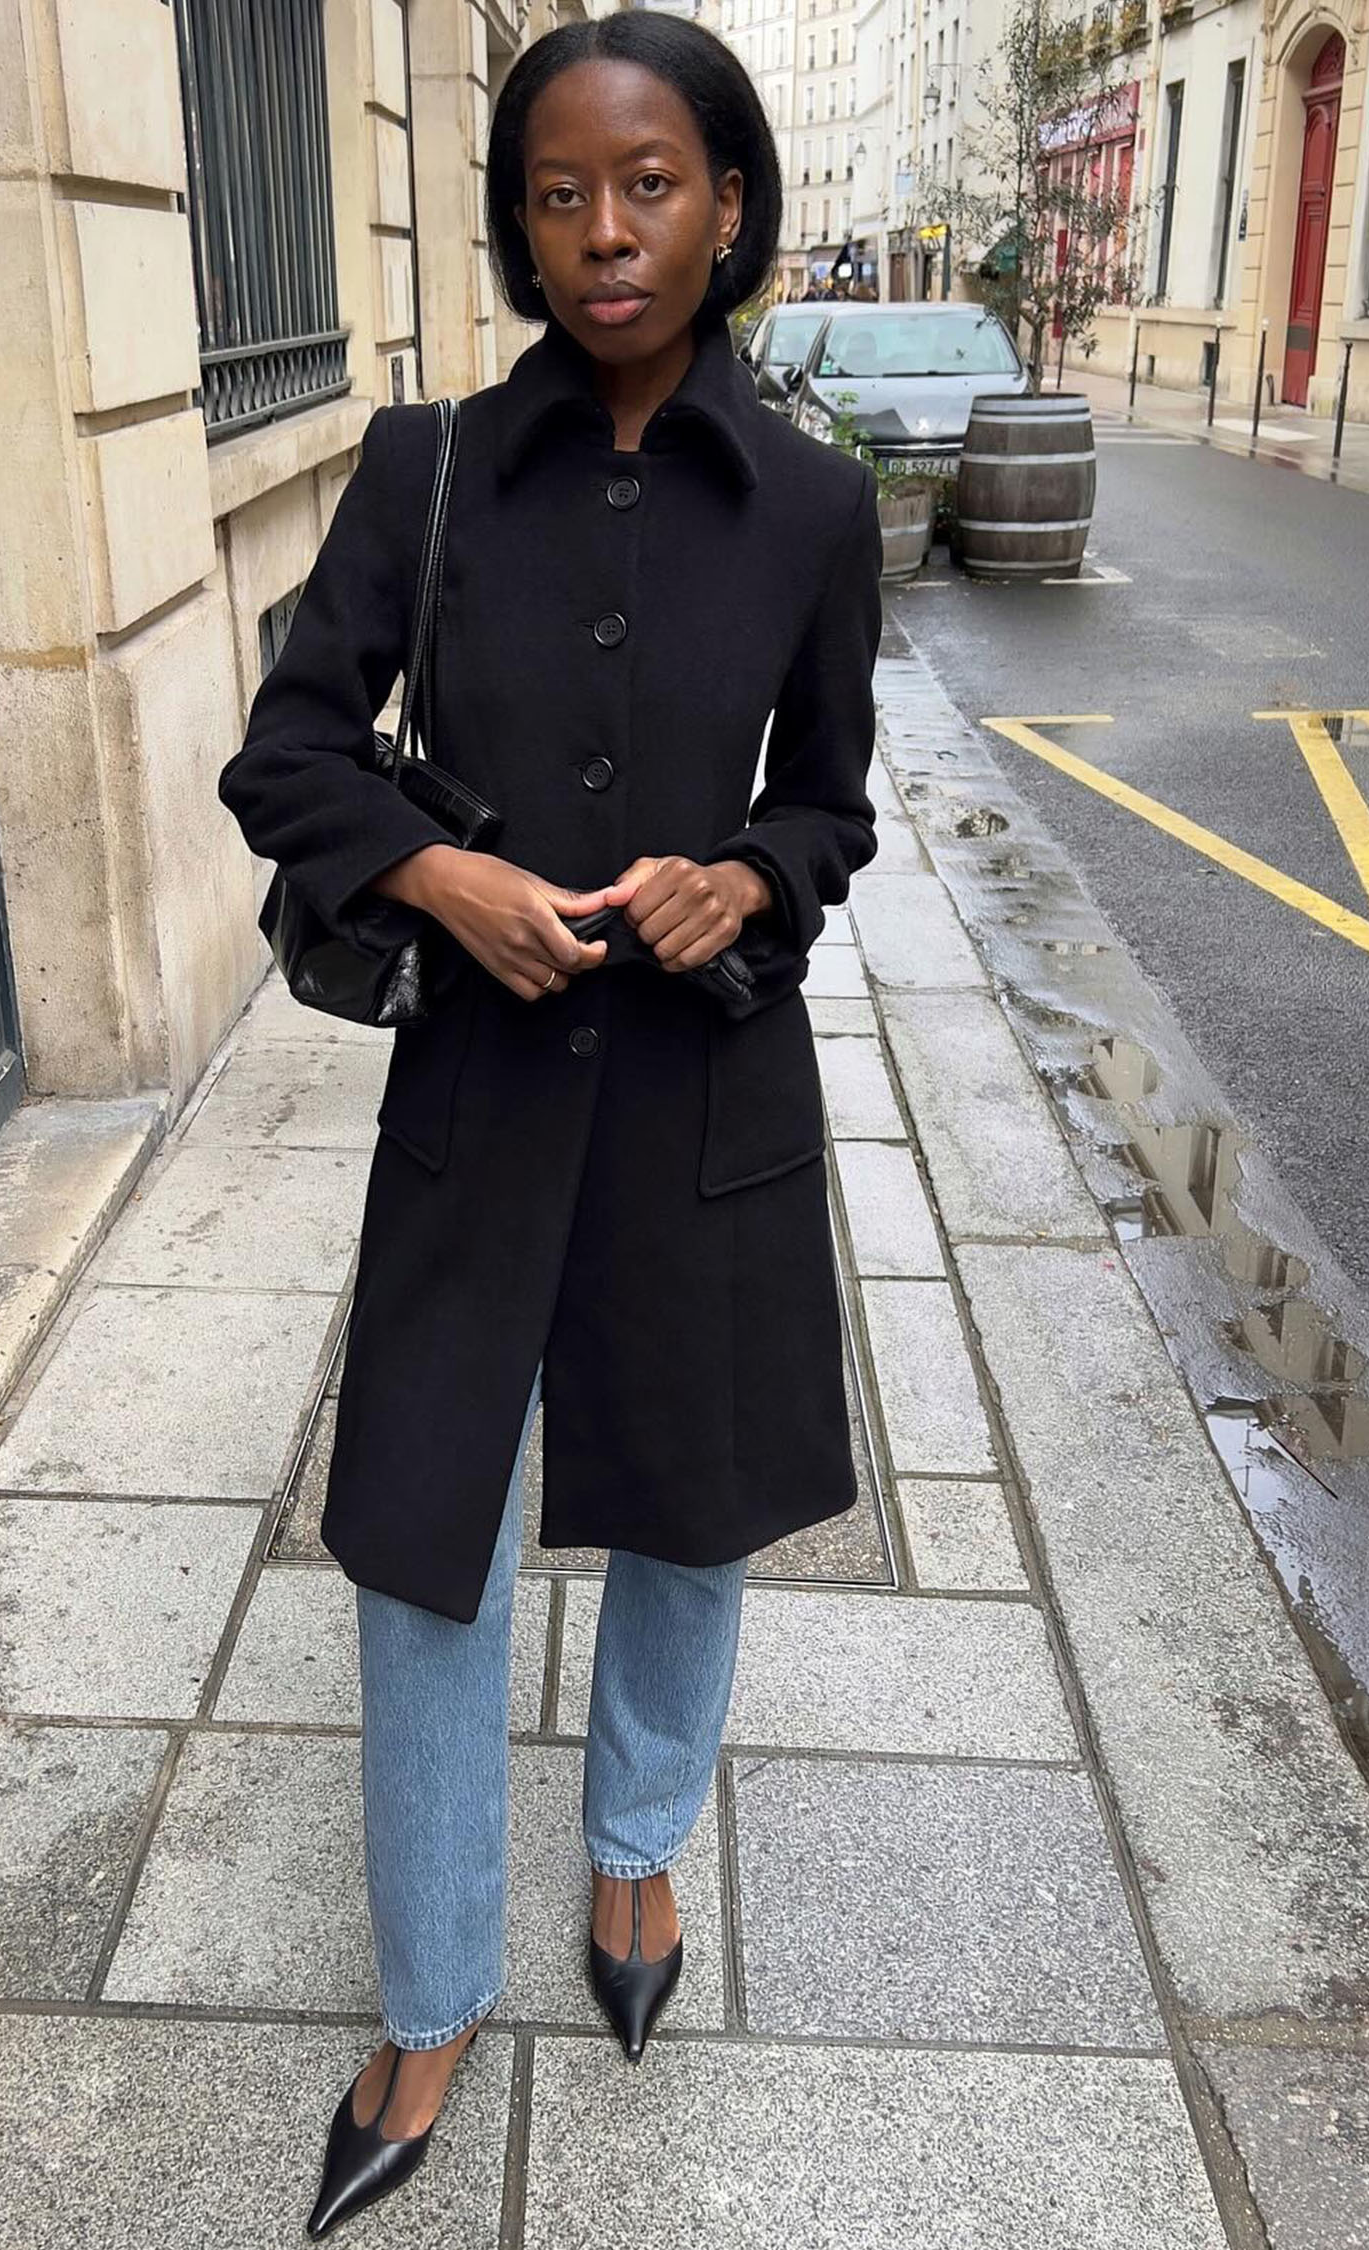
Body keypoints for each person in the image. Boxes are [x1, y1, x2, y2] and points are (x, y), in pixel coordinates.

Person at [214, 12, 877, 2238]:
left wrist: (746, 874)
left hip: (703, 1093)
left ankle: (630, 1862)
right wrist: (431, 874)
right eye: (558, 193)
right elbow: (287, 755)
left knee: (686, 1518)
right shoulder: (416, 474)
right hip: (478, 1105)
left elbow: (832, 805)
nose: (603, 234)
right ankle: (424, 1993)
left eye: (651, 184)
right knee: (425, 1547)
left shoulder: (809, 503)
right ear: (513, 222)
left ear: (728, 202)